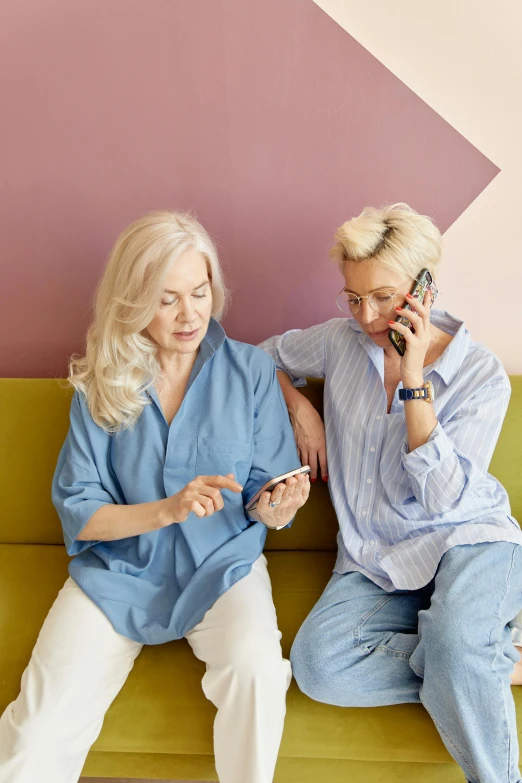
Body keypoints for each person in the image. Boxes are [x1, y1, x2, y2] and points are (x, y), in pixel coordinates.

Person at [0, 211, 310, 783]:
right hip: (117, 572)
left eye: (200, 291)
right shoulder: (100, 381)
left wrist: (276, 507)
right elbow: (81, 512)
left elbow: (265, 491)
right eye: (167, 299)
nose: (190, 314)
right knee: (35, 731)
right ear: (134, 298)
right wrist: (166, 510)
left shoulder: (251, 371)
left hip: (222, 568)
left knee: (259, 673)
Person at [259, 203, 522, 783]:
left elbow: (445, 499)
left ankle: (468, 657)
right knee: (318, 666)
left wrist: (413, 383)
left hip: (469, 543)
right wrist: (299, 405)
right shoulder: (338, 342)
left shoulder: (481, 375)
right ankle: (483, 658)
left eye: (382, 296)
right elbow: (254, 358)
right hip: (376, 560)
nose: (367, 315)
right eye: (352, 298)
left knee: (456, 644)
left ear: (425, 285)